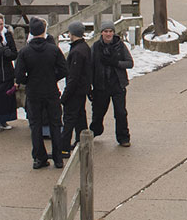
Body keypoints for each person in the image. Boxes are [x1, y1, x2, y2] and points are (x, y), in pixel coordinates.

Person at [15, 18, 67, 169]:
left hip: (34, 92)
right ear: (44, 31)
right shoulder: (53, 49)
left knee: (35, 125)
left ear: (30, 32)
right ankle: (58, 158)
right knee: (55, 124)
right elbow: (64, 69)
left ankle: (39, 158)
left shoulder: (25, 52)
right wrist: (52, 78)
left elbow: (18, 76)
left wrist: (29, 80)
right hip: (51, 90)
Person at [90, 18, 133, 147]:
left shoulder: (120, 46)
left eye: (110, 31)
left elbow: (130, 63)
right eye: (105, 31)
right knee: (98, 112)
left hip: (117, 84)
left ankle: (123, 137)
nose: (108, 34)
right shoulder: (96, 47)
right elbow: (90, 66)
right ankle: (95, 130)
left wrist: (116, 63)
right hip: (101, 85)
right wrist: (90, 85)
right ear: (101, 33)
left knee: (120, 112)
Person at [60, 21, 91, 158]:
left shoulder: (77, 52)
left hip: (75, 90)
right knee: (80, 116)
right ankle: (82, 141)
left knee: (69, 118)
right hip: (82, 89)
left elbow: (74, 76)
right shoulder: (84, 47)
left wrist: (65, 96)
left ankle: (64, 148)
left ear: (72, 33)